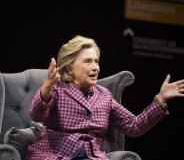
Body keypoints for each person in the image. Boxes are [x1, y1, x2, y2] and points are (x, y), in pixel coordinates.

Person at [25, 35, 184, 160]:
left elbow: (133, 126)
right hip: (56, 156)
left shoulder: (104, 96)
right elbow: (36, 114)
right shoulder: (58, 90)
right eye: (88, 61)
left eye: (96, 61)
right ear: (69, 68)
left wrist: (161, 99)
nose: (95, 67)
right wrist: (46, 87)